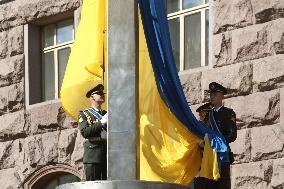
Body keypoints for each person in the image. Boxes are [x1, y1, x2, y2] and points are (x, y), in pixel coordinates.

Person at [208, 82, 237, 189]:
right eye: (210, 94)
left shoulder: (228, 113)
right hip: (208, 156)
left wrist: (217, 142)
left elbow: (232, 135)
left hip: (222, 156)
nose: (211, 96)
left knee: (222, 185)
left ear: (221, 96)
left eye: (214, 94)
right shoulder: (207, 115)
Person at [78, 84, 108, 181]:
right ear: (92, 97)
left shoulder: (106, 114)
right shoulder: (85, 114)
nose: (102, 95)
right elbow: (85, 132)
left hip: (107, 154)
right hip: (93, 155)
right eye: (99, 93)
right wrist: (101, 123)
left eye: (102, 93)